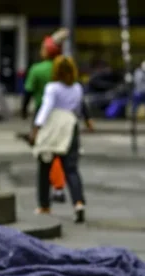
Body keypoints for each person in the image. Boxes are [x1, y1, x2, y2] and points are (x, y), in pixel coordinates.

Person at [29, 56, 92, 223]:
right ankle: (78, 203)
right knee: (71, 168)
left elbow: (46, 107)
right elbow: (79, 109)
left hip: (53, 126)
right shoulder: (78, 88)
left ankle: (44, 205)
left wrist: (36, 127)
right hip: (71, 126)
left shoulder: (52, 88)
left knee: (44, 166)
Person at [23, 29, 71, 203]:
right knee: (59, 152)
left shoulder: (37, 69)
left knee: (45, 153)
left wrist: (23, 110)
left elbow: (28, 92)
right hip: (63, 115)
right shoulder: (63, 67)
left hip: (41, 115)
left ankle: (46, 196)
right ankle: (58, 187)